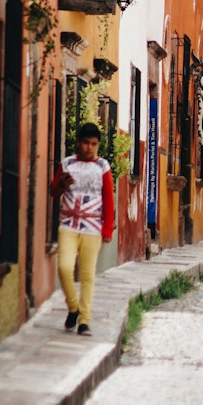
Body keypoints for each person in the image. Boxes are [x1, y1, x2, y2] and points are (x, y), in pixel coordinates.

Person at [50, 122, 115, 336]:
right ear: (79, 143)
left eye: (94, 144)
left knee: (88, 275)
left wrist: (107, 229)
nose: (90, 148)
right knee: (64, 268)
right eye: (86, 143)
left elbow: (108, 198)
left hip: (92, 227)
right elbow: (53, 192)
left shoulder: (103, 167)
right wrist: (62, 184)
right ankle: (73, 307)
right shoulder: (67, 163)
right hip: (68, 224)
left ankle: (84, 320)